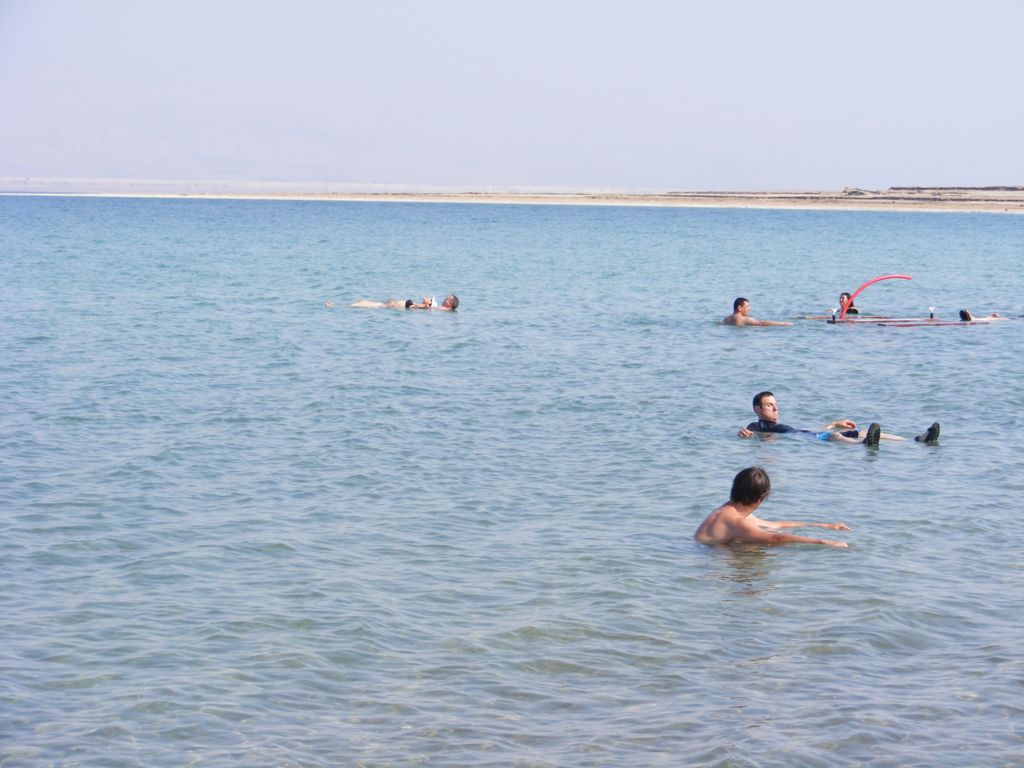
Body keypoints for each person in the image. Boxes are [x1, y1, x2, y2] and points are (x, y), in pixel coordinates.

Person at [694, 467, 850, 547]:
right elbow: (775, 538)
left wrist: (823, 525)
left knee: (749, 546)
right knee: (763, 549)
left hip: (703, 550)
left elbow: (776, 525)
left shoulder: (730, 510)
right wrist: (822, 542)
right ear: (760, 499)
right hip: (708, 553)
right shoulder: (736, 521)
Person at [737, 391, 940, 446]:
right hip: (810, 438)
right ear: (757, 409)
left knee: (859, 430)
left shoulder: (779, 425)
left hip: (811, 433)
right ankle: (863, 443)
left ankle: (916, 440)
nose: (775, 407)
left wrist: (835, 423)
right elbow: (748, 431)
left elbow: (806, 428)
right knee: (834, 437)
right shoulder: (758, 424)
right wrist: (744, 434)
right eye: (770, 405)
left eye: (775, 404)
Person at [723, 297, 792, 326]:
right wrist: (782, 323)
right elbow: (762, 323)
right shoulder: (744, 319)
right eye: (747, 307)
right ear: (740, 308)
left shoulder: (726, 319)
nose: (749, 308)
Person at [350, 294, 459, 310]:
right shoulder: (440, 309)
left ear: (450, 303)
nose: (445, 298)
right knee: (379, 305)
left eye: (447, 298)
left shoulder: (443, 309)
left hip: (408, 305)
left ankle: (361, 303)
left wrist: (426, 304)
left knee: (380, 305)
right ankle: (362, 303)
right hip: (408, 305)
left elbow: (429, 309)